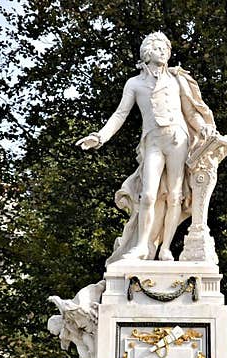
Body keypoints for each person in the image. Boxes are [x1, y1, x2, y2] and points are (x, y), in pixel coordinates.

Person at [76, 32, 216, 263]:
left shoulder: (176, 79)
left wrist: (203, 127)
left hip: (177, 140)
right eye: (159, 47)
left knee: (175, 196)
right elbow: (120, 114)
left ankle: (166, 248)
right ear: (147, 52)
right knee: (148, 195)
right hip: (153, 142)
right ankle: (142, 246)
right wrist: (101, 136)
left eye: (165, 48)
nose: (164, 51)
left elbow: (191, 113)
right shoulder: (135, 84)